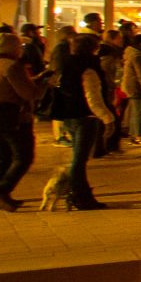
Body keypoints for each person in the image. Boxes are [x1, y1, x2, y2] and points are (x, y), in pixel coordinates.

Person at [50, 31, 117, 209]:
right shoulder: (88, 67)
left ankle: (79, 193)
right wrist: (108, 118)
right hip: (84, 117)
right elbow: (92, 97)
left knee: (78, 158)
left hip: (69, 115)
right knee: (79, 160)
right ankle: (79, 196)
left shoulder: (66, 64)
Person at [0, 30, 39, 209]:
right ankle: (1, 192)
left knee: (2, 158)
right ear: (12, 47)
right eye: (19, 46)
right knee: (23, 157)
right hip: (15, 117)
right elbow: (28, 93)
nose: (21, 49)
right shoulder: (11, 66)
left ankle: (1, 197)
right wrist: (42, 85)